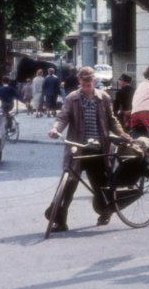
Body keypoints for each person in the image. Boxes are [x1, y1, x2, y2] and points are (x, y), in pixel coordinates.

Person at [45, 66, 131, 231]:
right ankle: (60, 221)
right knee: (69, 185)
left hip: (98, 148)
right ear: (79, 82)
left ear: (94, 81)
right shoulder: (72, 98)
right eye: (83, 85)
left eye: (89, 84)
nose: (86, 88)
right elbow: (63, 116)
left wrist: (122, 133)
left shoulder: (104, 97)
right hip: (78, 147)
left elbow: (111, 119)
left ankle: (106, 212)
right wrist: (55, 128)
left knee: (100, 185)